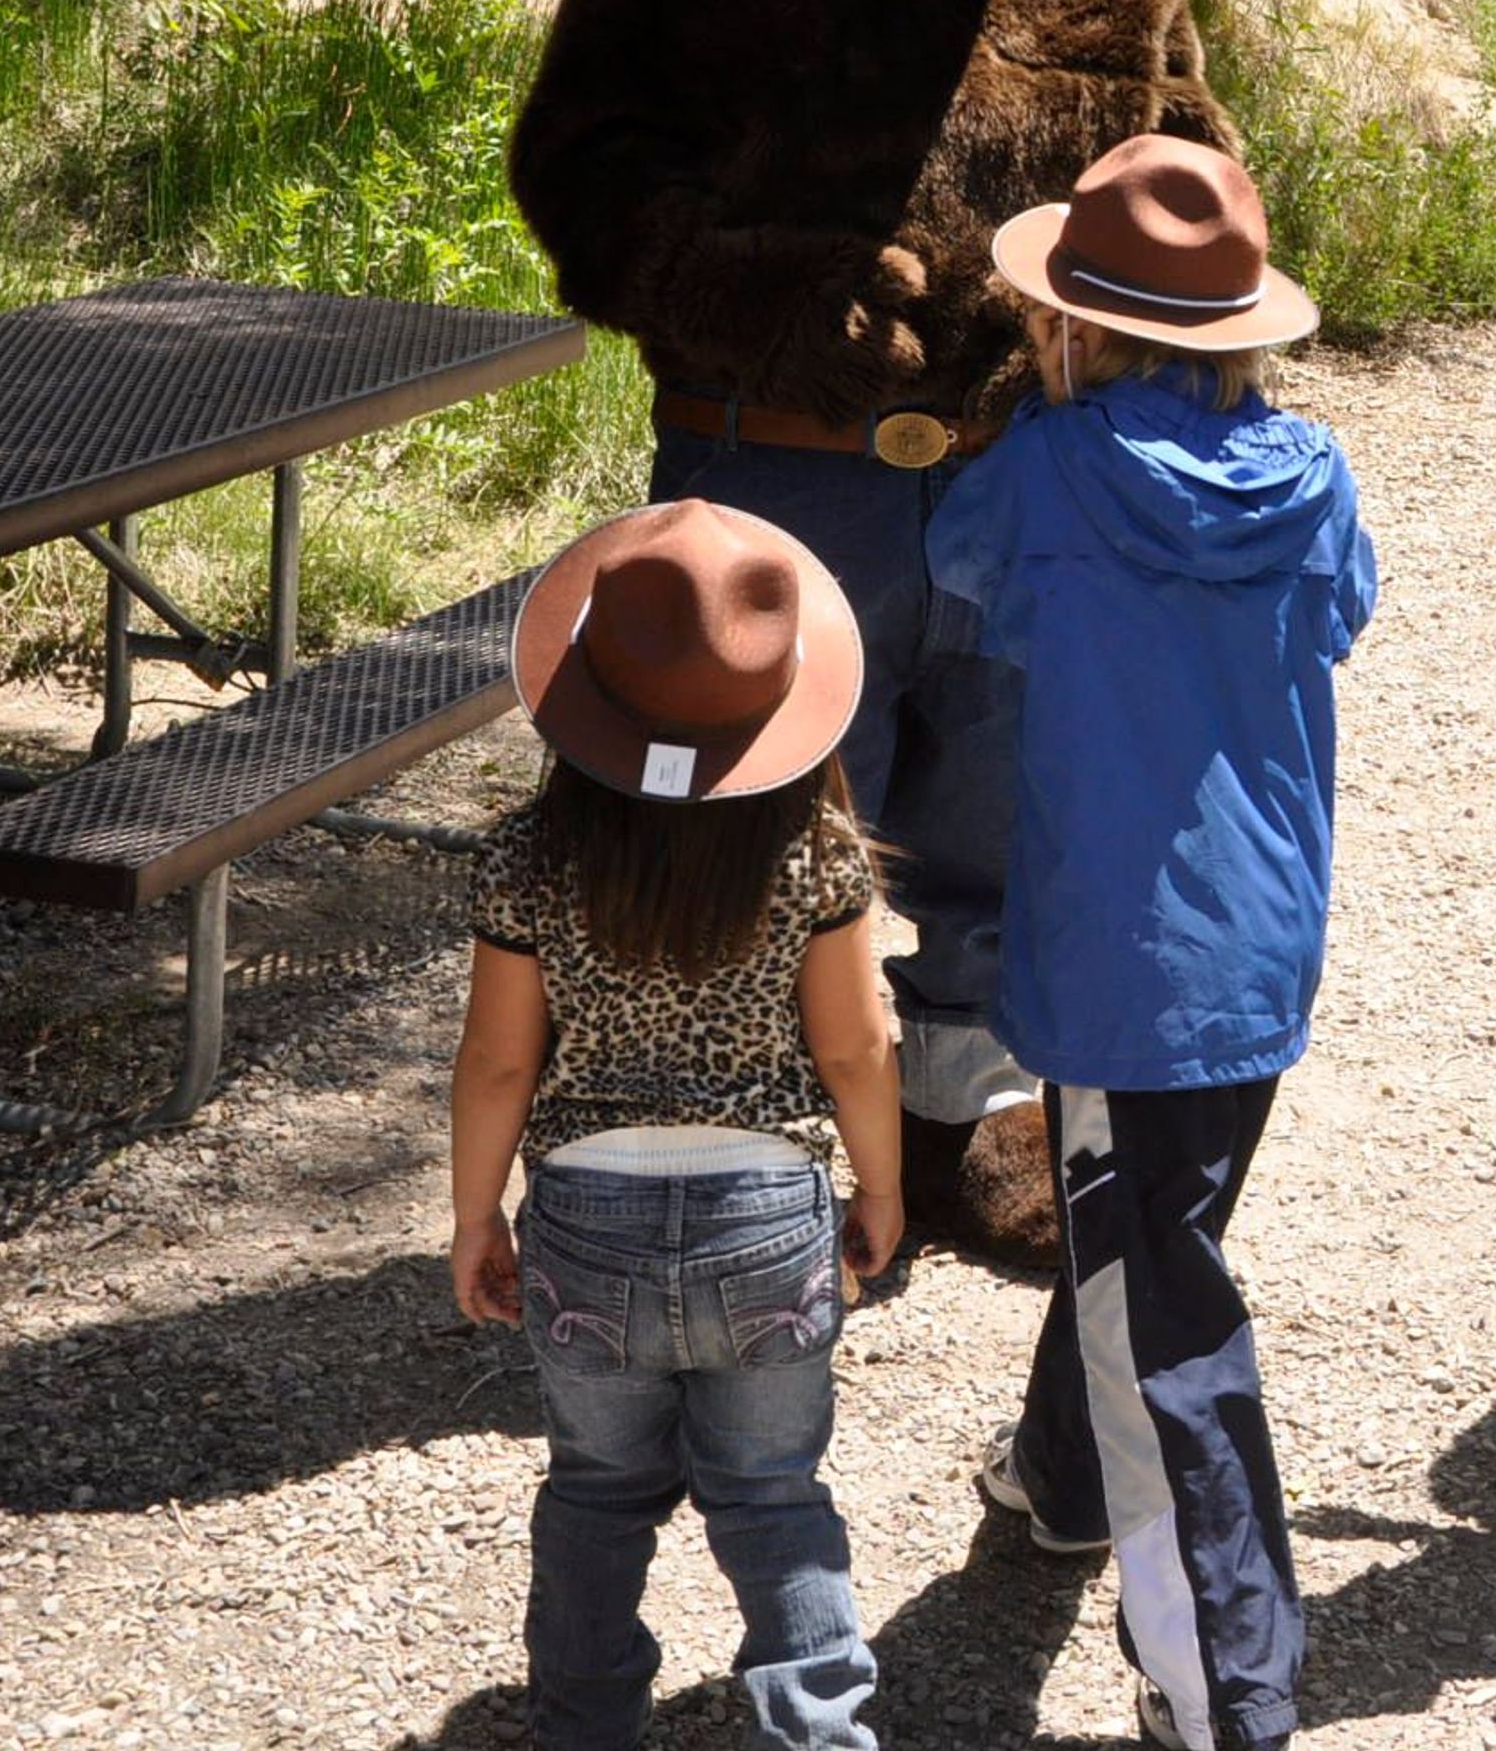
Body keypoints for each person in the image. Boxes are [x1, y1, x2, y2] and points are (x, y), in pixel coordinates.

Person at [925, 134, 1377, 1751]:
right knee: (1153, 1230)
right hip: (1261, 935)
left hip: (1127, 962)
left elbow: (959, 572)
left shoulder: (1046, 474)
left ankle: (1225, 1686)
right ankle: (1057, 1478)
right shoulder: (1314, 475)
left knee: (1166, 1305)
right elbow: (1339, 613)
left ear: (1073, 329)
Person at [447, 498, 906, 1751]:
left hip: (586, 1218)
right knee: (772, 1497)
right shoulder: (816, 855)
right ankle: (816, 1731)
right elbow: (856, 1044)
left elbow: (496, 1062)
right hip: (768, 1217)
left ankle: (584, 1728)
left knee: (596, 1496)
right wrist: (881, 1187)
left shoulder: (526, 858)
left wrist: (476, 1213)